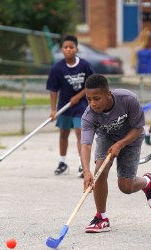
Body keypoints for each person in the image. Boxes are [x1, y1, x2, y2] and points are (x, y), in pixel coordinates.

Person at [81, 74, 151, 233]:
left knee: (126, 187)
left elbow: (138, 128)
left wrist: (121, 143)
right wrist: (86, 171)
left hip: (131, 136)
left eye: (96, 98)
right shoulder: (89, 116)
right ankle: (101, 218)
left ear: (108, 94)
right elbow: (86, 145)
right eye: (89, 99)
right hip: (106, 137)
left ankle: (147, 182)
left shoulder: (127, 99)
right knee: (99, 171)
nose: (92, 103)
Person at [46, 35, 94, 177]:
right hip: (64, 106)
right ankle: (62, 162)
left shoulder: (84, 65)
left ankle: (82, 164)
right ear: (62, 50)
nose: (68, 50)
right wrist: (53, 110)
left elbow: (92, 84)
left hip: (81, 106)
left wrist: (78, 96)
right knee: (63, 134)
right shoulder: (57, 68)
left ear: (76, 49)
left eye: (71, 47)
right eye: (65, 47)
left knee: (79, 132)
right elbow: (53, 90)